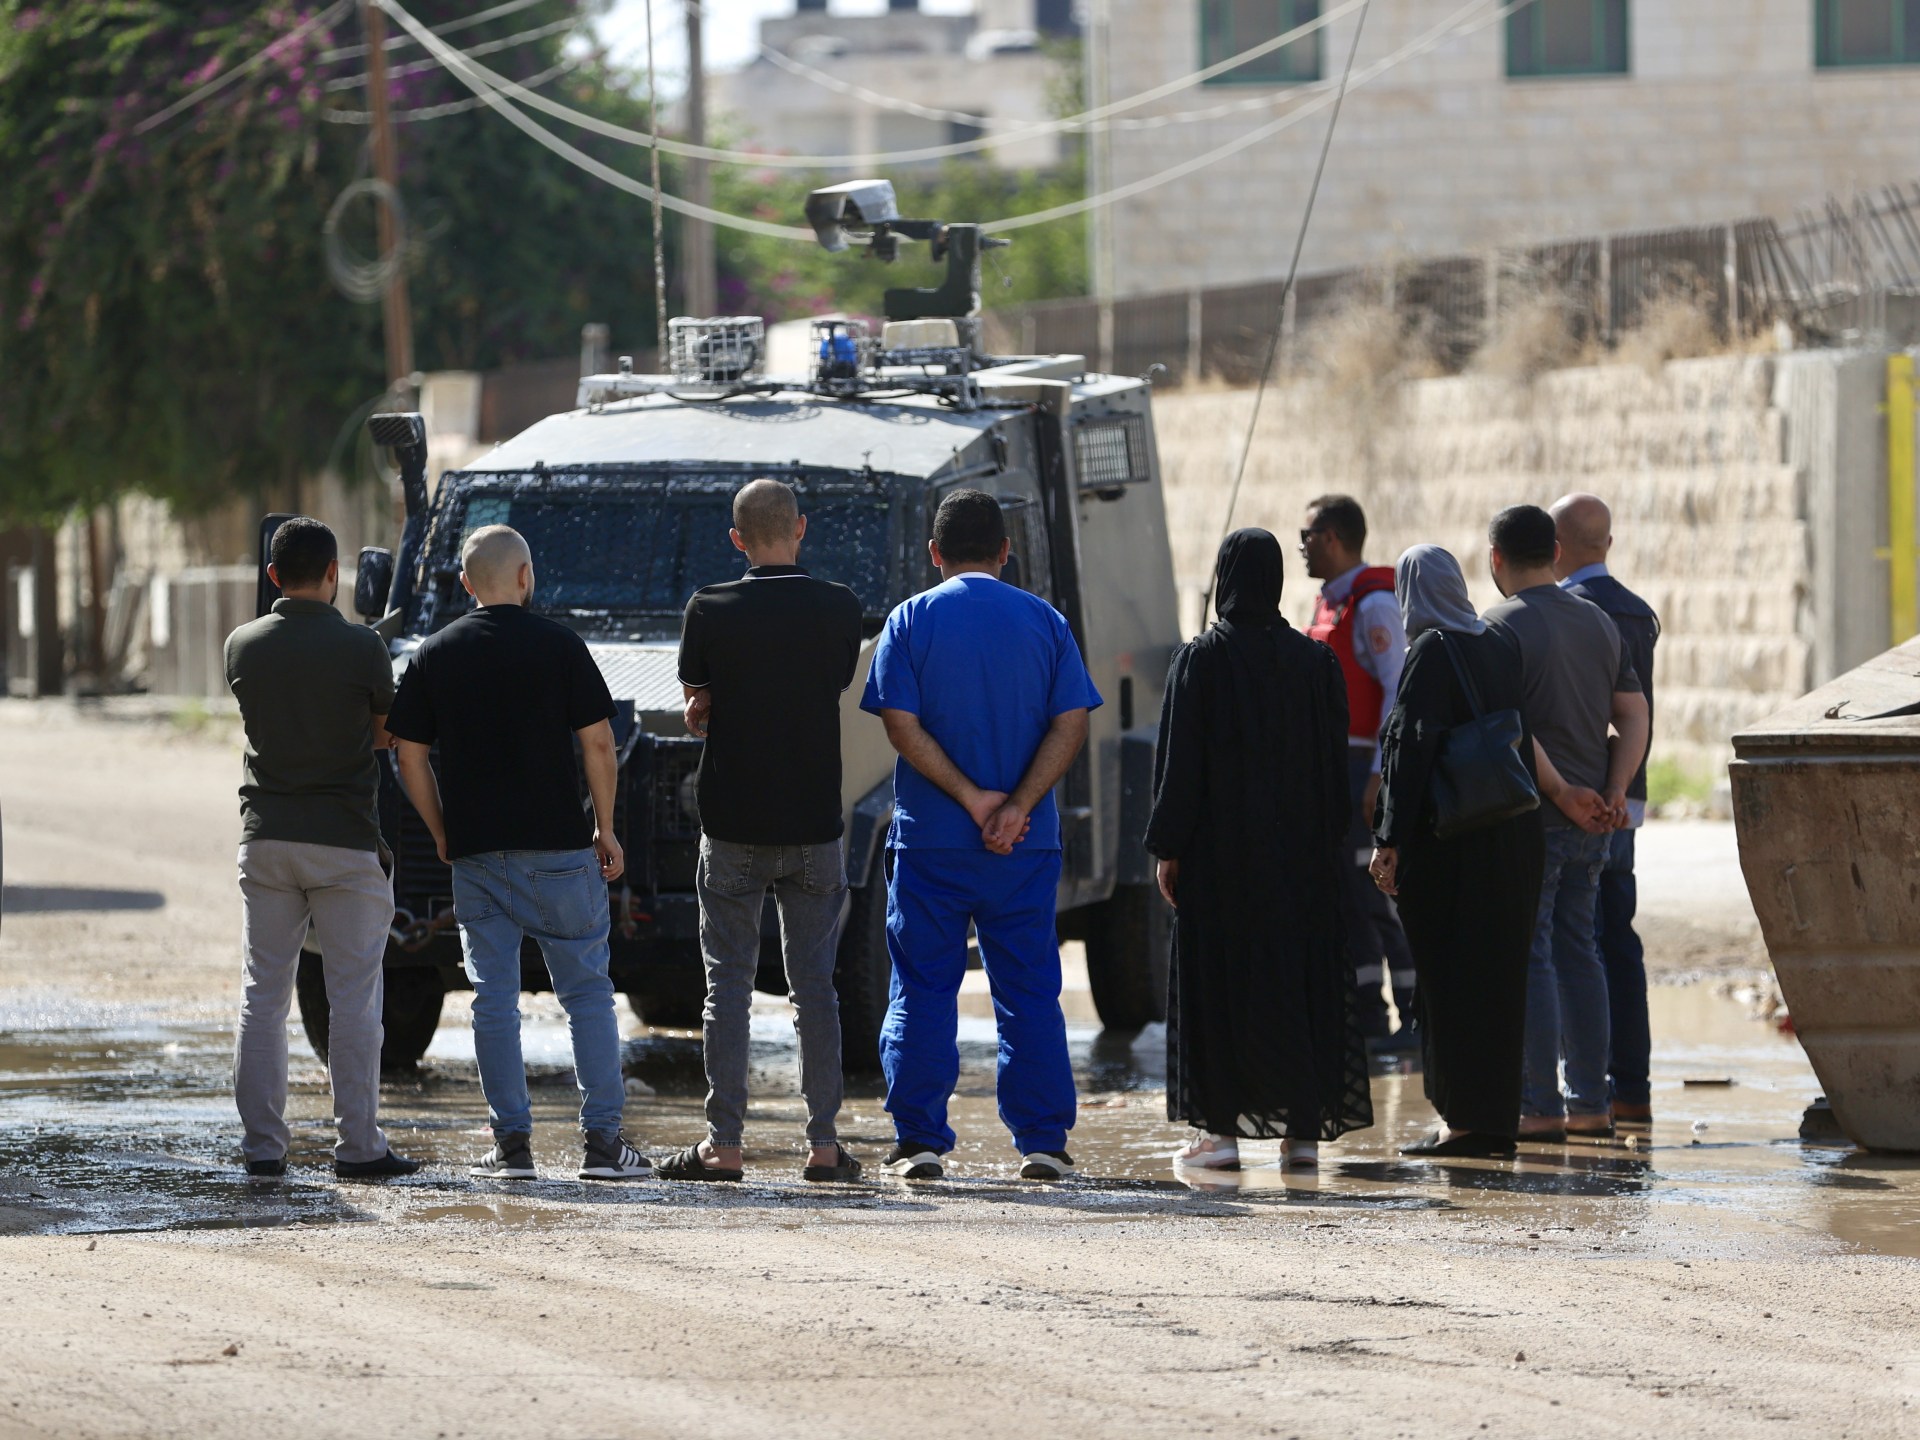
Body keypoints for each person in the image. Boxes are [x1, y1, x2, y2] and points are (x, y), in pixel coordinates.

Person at [386, 525, 651, 1183]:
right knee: (587, 993)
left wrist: (441, 830)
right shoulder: (560, 644)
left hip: (477, 855)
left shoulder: (435, 652)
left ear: (466, 584)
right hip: (560, 849)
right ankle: (603, 1146)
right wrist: (606, 828)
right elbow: (598, 743)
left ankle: (512, 1148)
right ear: (527, 576)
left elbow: (408, 755)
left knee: (493, 999)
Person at [861, 489, 1101, 1182]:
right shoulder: (1046, 622)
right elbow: (1071, 721)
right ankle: (1043, 1144)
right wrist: (1016, 806)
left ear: (934, 553)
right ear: (1005, 551)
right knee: (1028, 992)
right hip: (1023, 847)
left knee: (922, 988)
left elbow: (900, 724)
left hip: (932, 844)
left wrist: (970, 800)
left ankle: (919, 1140)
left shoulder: (910, 620)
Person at [656, 479, 865, 1183]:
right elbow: (827, 685)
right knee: (816, 989)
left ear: (736, 539)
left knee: (728, 989)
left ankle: (724, 1145)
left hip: (732, 824)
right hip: (814, 825)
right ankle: (824, 1146)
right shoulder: (840, 607)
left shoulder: (708, 607)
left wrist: (707, 711)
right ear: (800, 528)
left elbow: (699, 698)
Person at [1147, 528, 1373, 1172]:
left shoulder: (1200, 660)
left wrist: (1169, 847)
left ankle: (1219, 1137)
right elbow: (1334, 770)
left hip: (1219, 862)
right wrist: (1326, 843)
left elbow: (1180, 768)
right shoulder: (1316, 663)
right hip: (1299, 861)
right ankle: (1301, 1137)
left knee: (1220, 987)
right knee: (1297, 986)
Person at [223, 517, 419, 1180]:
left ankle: (263, 1149)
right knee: (354, 999)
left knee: (263, 995)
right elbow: (387, 734)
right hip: (344, 840)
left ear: (273, 576)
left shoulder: (242, 645)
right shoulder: (364, 648)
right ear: (335, 574)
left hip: (267, 838)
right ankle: (359, 1147)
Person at [1368, 545, 1544, 1159]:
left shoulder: (1431, 651)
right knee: (1499, 984)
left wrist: (1388, 840)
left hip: (1453, 843)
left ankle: (1463, 1124)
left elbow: (1410, 751)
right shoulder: (1499, 641)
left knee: (1450, 984)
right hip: (1514, 835)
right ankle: (1495, 1121)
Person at [1483, 505, 1649, 1141]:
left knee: (1533, 955)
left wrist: (1561, 791)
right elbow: (1633, 714)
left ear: (1496, 558)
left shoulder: (1497, 627)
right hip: (1595, 822)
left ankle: (1540, 1105)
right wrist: (1612, 789)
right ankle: (1590, 1104)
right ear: (1555, 552)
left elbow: (1508, 726)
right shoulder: (1599, 621)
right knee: (1582, 952)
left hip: (1535, 816)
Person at [1552, 492, 1660, 1128]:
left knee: (1576, 944)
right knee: (1618, 939)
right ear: (1609, 544)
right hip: (1628, 797)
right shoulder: (1637, 612)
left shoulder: (1569, 612)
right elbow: (1639, 714)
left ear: (1555, 549)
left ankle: (1584, 1093)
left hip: (1583, 801)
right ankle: (1632, 1093)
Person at [1300, 494, 1416, 1048]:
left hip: (1361, 768)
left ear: (1332, 537)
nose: (1301, 548)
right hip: (1331, 770)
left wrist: (1379, 775)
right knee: (1347, 893)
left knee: (1377, 893)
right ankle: (1366, 1017)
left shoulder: (1373, 605)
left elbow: (1398, 690)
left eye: (1307, 537)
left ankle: (1413, 1016)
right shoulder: (1331, 603)